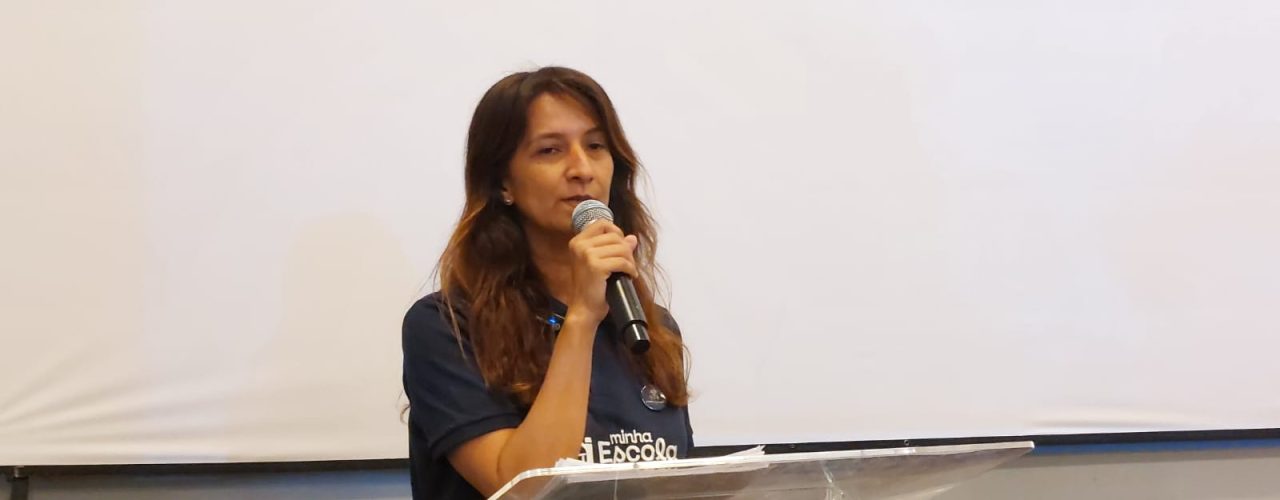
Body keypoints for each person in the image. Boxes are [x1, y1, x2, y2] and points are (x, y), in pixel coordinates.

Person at [402, 66, 692, 500]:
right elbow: (524, 490)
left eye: (595, 146)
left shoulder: (650, 327)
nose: (582, 169)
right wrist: (581, 319)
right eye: (550, 150)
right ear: (502, 183)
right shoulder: (446, 326)